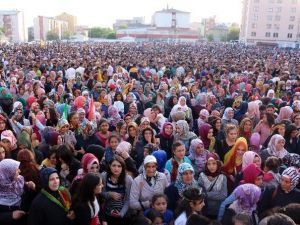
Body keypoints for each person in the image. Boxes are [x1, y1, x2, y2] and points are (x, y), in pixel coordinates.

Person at [101, 155, 132, 225]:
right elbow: (100, 192)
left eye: (119, 166)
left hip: (123, 215)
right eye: (114, 165)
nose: (116, 168)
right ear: (109, 166)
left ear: (122, 167)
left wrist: (121, 213)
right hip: (107, 213)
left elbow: (128, 200)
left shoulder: (128, 179)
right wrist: (109, 194)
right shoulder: (104, 176)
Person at [198, 153, 227, 219]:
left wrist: (206, 194)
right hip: (204, 210)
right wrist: (216, 193)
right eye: (209, 164)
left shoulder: (223, 177)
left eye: (214, 163)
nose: (211, 166)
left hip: (217, 210)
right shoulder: (202, 176)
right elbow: (200, 194)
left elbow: (223, 195)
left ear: (218, 164)